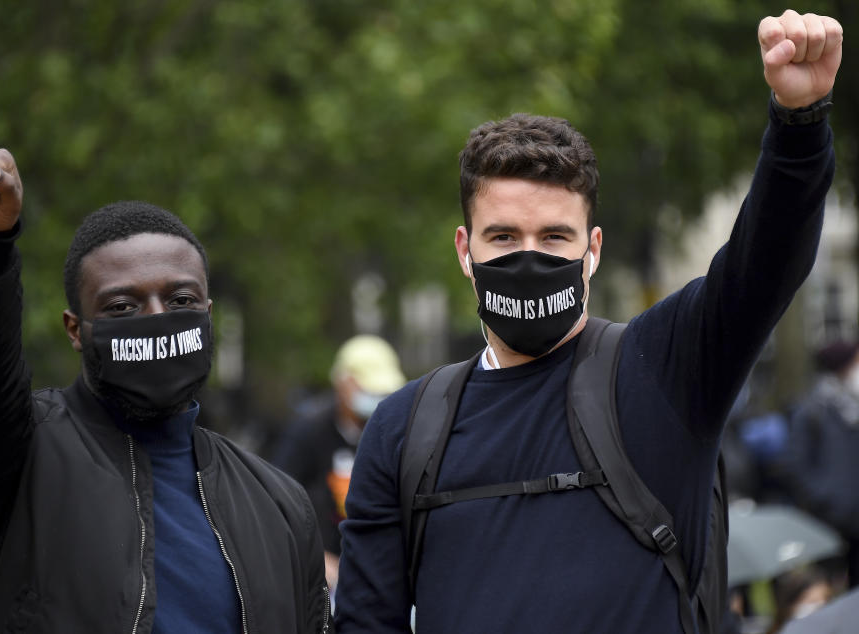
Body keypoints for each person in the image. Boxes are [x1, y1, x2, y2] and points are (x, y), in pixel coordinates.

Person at [334, 9, 842, 634]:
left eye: (554, 236)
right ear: (465, 252)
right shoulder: (403, 431)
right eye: (503, 236)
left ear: (592, 250)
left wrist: (798, 122)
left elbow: (763, 266)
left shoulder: (663, 370)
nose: (529, 257)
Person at [0, 148, 332, 632]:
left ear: (208, 314)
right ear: (75, 329)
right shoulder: (18, 459)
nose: (156, 318)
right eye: (123, 306)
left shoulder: (278, 503)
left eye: (180, 300)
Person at [274, 334, 407, 592]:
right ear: (343, 383)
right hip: (321, 573)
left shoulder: (394, 432)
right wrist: (314, 557)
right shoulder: (309, 431)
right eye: (369, 388)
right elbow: (277, 500)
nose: (377, 397)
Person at [782, 340, 859, 588]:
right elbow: (796, 462)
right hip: (829, 518)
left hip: (855, 515)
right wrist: (824, 497)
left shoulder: (853, 406)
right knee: (826, 588)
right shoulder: (811, 410)